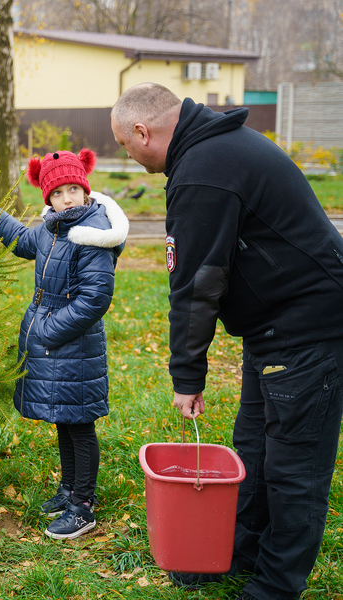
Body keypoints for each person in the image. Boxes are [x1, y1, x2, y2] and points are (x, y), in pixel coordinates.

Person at [111, 82, 343, 599]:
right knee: (255, 450)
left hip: (307, 329)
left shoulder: (203, 172)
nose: (128, 158)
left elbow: (196, 286)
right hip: (272, 328)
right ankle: (237, 552)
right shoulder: (213, 150)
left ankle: (277, 586)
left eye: (126, 146)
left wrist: (187, 377)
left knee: (293, 467)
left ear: (143, 132)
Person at [0, 149, 127, 540]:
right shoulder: (51, 229)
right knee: (64, 419)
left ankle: (83, 507)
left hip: (73, 344)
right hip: (54, 344)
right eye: (59, 192)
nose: (67, 198)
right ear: (49, 198)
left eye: (74, 189)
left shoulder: (91, 235)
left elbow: (95, 298)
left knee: (80, 425)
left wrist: (49, 330)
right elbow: (23, 240)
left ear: (85, 191)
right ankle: (68, 489)